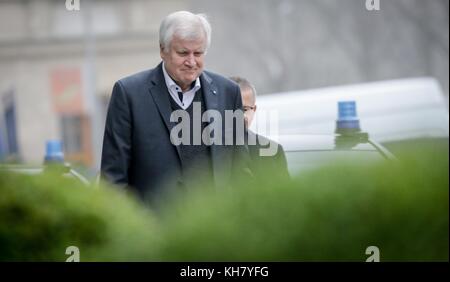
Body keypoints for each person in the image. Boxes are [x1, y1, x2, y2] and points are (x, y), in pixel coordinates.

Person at [101, 11, 250, 205]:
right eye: (183, 53)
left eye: (198, 53)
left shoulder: (228, 93)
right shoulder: (129, 94)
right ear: (163, 50)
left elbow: (241, 170)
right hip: (153, 231)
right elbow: (113, 180)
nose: (191, 61)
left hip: (216, 229)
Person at [229, 76, 290, 180]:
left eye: (244, 109)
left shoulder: (273, 153)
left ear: (254, 110)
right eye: (231, 109)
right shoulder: (205, 152)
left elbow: (285, 195)